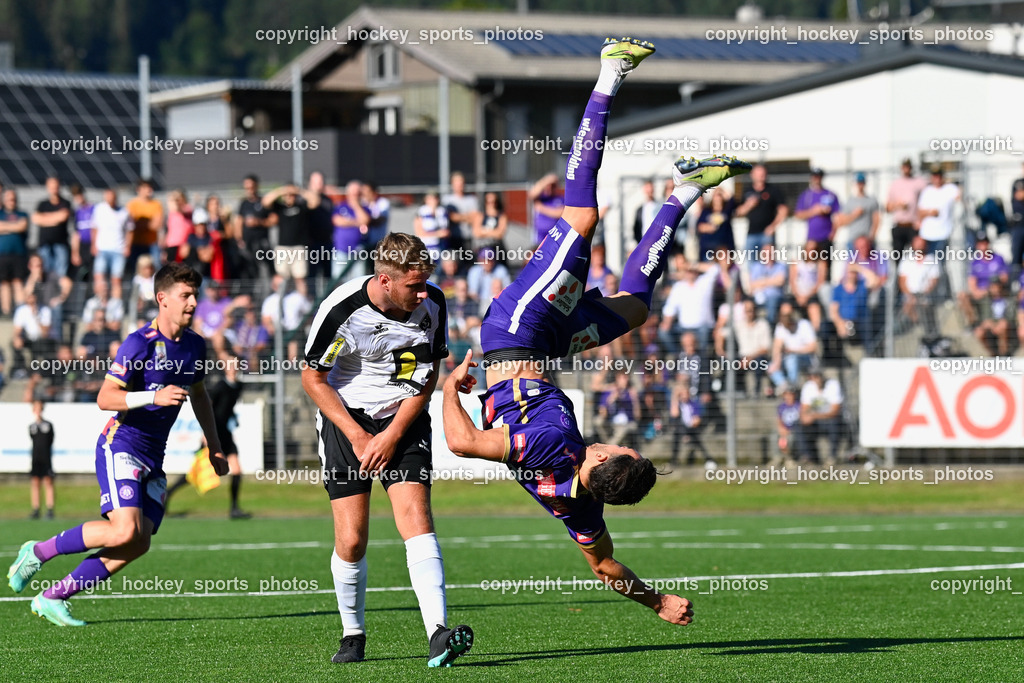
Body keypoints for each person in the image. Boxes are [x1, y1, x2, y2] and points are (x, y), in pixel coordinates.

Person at [441, 38, 745, 630]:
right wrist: (656, 602)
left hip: (518, 327)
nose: (613, 441)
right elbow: (604, 566)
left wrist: (450, 389)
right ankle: (685, 190)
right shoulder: (580, 506)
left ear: (601, 455)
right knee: (634, 311)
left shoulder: (553, 443)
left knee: (581, 216)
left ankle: (609, 72)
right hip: (548, 345)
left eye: (622, 447)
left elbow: (464, 444)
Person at [6, 263, 229, 626]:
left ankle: (54, 596)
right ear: (162, 298)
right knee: (124, 530)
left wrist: (214, 445)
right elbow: (105, 397)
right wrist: (153, 397)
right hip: (122, 445)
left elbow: (200, 394)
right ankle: (38, 551)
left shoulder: (195, 346)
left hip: (154, 455)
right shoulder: (140, 343)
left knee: (138, 542)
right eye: (185, 295)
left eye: (195, 296)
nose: (193, 302)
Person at [301, 232, 473, 667]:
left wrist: (393, 433)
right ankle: (352, 634)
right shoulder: (341, 310)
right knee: (352, 538)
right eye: (414, 285)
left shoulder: (432, 302)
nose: (423, 292)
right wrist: (359, 436)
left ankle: (438, 633)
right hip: (347, 421)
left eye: (425, 283)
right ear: (384, 280)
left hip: (403, 417)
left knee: (416, 519)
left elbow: (428, 375)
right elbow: (312, 378)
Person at [166, 358, 249, 518]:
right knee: (195, 473)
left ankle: (234, 508)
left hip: (225, 434)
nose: (233, 368)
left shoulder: (239, 386)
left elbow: (227, 408)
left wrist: (233, 419)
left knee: (237, 470)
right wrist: (206, 434)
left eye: (236, 365)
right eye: (230, 365)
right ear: (225, 368)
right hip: (213, 434)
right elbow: (208, 408)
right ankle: (168, 493)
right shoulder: (220, 386)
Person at [735, 163, 788, 254]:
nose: (761, 177)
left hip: (767, 234)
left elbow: (783, 210)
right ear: (752, 175)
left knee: (767, 261)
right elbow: (738, 212)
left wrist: (773, 226)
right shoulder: (747, 191)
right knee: (750, 260)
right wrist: (748, 205)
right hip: (751, 234)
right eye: (759, 174)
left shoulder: (773, 190)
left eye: (763, 174)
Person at [32, 176, 73, 282]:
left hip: (61, 244)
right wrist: (55, 218)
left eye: (55, 185)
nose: (54, 187)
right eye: (51, 185)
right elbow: (36, 219)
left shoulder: (65, 203)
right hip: (44, 244)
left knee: (60, 274)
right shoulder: (42, 204)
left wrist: (45, 218)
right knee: (45, 273)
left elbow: (63, 216)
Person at [886, 158, 926, 265]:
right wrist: (898, 206)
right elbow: (887, 207)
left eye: (908, 167)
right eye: (904, 167)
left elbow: (927, 200)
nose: (906, 169)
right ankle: (899, 275)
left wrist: (921, 220)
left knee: (916, 256)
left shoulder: (919, 182)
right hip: (899, 225)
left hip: (913, 225)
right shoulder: (895, 184)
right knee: (897, 257)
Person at [917, 165, 960, 255]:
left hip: (943, 233)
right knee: (929, 260)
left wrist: (949, 181)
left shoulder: (950, 189)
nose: (937, 178)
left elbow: (959, 198)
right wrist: (930, 213)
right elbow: (920, 212)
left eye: (939, 175)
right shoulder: (927, 191)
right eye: (935, 175)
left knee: (939, 260)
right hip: (927, 233)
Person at [125, 178, 163, 277]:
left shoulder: (156, 204)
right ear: (139, 189)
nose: (149, 190)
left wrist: (140, 223)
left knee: (156, 268)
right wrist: (148, 223)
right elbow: (130, 225)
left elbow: (157, 225)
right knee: (135, 269)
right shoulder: (132, 204)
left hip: (151, 243)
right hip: (135, 243)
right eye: (146, 187)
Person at [0, 188, 29, 315]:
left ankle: (20, 311)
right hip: (2, 255)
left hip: (19, 255)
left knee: (18, 282)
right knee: (4, 283)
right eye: (9, 198)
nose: (11, 201)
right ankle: (6, 312)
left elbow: (22, 226)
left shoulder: (22, 214)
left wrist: (5, 227)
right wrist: (14, 227)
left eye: (13, 198)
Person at [834, 172, 880, 248]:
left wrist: (872, 236)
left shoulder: (872, 201)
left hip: (867, 241)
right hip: (852, 240)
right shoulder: (850, 201)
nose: (860, 185)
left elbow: (877, 220)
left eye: (862, 182)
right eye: (858, 183)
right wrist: (854, 215)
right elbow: (841, 222)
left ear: (865, 183)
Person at [28, 399, 56, 520]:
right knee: (35, 482)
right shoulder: (32, 427)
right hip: (36, 458)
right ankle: (36, 508)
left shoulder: (48, 425)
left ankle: (50, 508)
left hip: (46, 458)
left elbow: (50, 440)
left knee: (48, 481)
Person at [529, 172, 565, 247]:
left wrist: (541, 208)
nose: (550, 188)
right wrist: (547, 180)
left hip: (555, 239)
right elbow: (531, 194)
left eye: (553, 186)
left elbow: (560, 213)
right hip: (539, 239)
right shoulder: (541, 198)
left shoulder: (560, 199)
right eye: (548, 186)